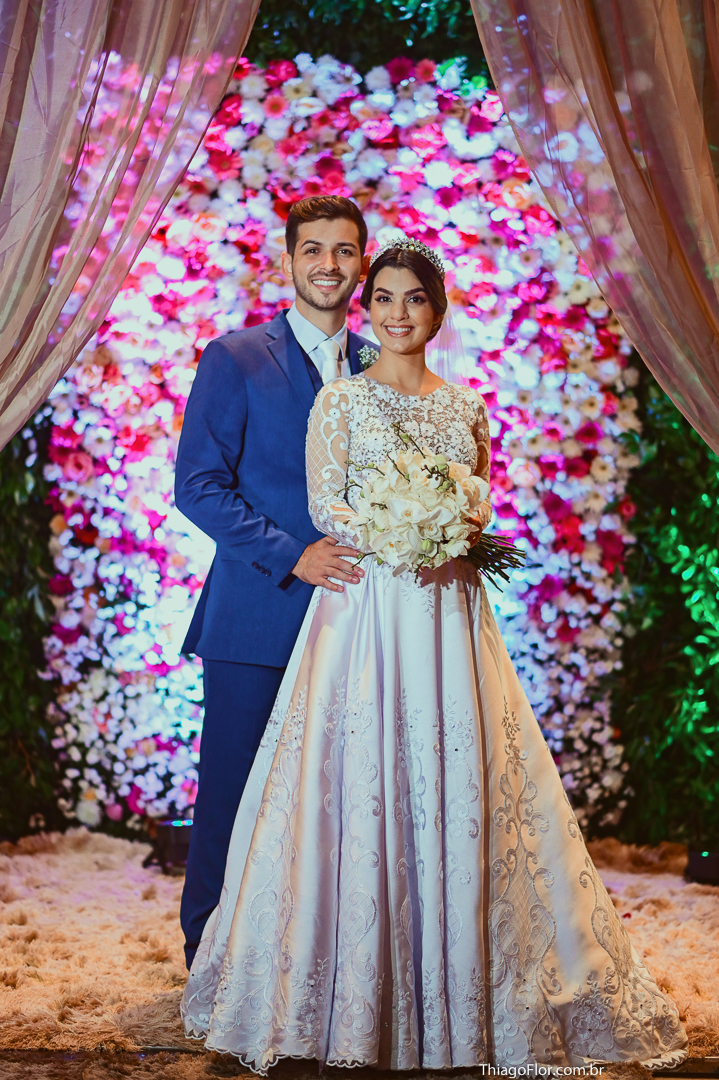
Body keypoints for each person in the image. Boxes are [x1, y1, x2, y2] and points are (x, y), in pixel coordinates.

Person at [181, 237, 688, 1074]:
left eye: (413, 298)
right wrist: (394, 523)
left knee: (459, 780)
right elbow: (322, 504)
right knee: (337, 789)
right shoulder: (329, 397)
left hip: (448, 618)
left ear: (437, 310)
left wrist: (447, 522)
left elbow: (478, 505)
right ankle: (318, 990)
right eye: (383, 297)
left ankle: (459, 985)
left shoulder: (464, 408)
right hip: (362, 615)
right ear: (362, 302)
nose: (397, 312)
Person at [174, 195, 374, 970]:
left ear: (361, 263)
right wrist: (293, 555)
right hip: (256, 616)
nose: (328, 264)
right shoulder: (234, 357)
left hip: (358, 619)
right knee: (232, 793)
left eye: (343, 250)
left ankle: (314, 964)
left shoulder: (378, 365)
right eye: (312, 249)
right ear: (287, 261)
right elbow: (198, 486)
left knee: (337, 798)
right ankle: (207, 962)